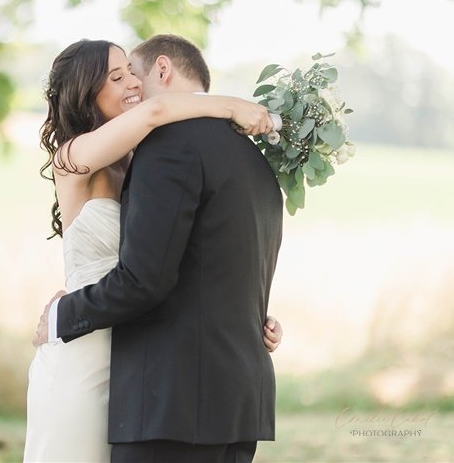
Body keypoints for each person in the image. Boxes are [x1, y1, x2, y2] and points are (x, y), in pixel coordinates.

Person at [25, 37, 283, 462]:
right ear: (87, 92)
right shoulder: (72, 158)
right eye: (116, 75)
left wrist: (247, 314)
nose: (132, 83)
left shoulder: (141, 161)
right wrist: (233, 107)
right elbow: (159, 110)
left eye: (131, 70)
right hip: (85, 348)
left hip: (141, 354)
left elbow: (180, 257)